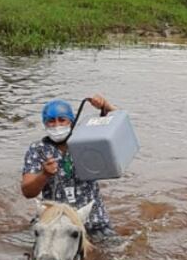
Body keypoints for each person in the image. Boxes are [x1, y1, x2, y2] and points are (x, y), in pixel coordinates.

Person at [21, 95, 119, 238]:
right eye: (51, 121)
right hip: (54, 223)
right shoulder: (38, 150)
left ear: (71, 122)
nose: (56, 125)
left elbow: (118, 123)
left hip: (92, 222)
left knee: (114, 253)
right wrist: (44, 175)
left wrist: (105, 106)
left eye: (62, 120)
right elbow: (27, 191)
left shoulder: (86, 141)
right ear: (45, 124)